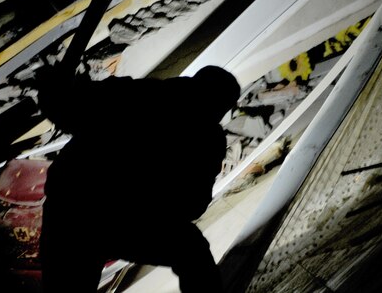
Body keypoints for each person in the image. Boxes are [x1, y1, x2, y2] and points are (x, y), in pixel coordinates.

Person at [35, 65, 240, 292]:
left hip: (77, 210)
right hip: (96, 215)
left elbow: (67, 111)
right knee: (191, 249)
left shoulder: (140, 94)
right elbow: (193, 206)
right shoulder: (207, 139)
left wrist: (52, 90)